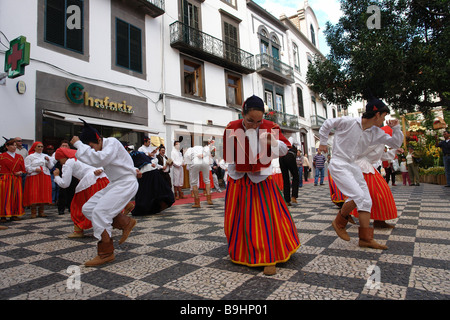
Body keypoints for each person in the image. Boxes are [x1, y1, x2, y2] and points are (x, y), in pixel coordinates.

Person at [223, 95, 300, 276]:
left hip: (261, 180)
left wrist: (272, 142)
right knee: (239, 218)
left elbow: (285, 150)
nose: (254, 125)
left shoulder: (270, 127)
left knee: (265, 218)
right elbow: (229, 156)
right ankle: (242, 251)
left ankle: (268, 256)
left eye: (259, 121)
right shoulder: (232, 128)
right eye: (250, 121)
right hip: (239, 179)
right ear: (243, 114)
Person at [319, 98, 403, 250]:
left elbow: (395, 144)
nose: (384, 120)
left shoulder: (375, 132)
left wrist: (396, 129)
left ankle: (365, 239)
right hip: (339, 163)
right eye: (383, 116)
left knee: (366, 201)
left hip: (353, 165)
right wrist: (323, 142)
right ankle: (339, 222)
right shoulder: (348, 121)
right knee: (358, 196)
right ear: (377, 115)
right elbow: (327, 124)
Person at [71, 120, 138, 267]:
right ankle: (125, 222)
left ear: (99, 139)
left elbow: (99, 159)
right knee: (88, 208)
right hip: (115, 183)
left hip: (125, 183)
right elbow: (120, 163)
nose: (93, 150)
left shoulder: (112, 142)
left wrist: (78, 144)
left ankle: (106, 253)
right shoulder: (105, 148)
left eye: (92, 146)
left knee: (100, 212)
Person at [53, 147, 110, 238]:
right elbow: (99, 161)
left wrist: (56, 176)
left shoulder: (68, 163)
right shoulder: (81, 157)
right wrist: (101, 169)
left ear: (63, 157)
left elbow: (65, 184)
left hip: (90, 182)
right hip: (103, 179)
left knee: (77, 206)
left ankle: (78, 230)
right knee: (104, 204)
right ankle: (121, 217)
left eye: (59, 159)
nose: (60, 162)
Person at [130, 147, 175, 216]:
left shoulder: (133, 155)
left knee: (145, 193)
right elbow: (153, 160)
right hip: (153, 172)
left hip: (146, 174)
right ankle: (154, 207)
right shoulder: (140, 153)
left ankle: (147, 208)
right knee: (155, 191)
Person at [23, 141, 55, 218]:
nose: (40, 148)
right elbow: (26, 167)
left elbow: (50, 166)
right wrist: (34, 169)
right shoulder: (30, 157)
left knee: (43, 192)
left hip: (44, 175)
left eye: (41, 147)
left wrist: (48, 160)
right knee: (34, 192)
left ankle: (41, 211)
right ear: (34, 147)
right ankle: (33, 212)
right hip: (34, 176)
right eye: (38, 146)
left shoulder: (45, 156)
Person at [0, 138, 26, 225]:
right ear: (7, 146)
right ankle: (3, 215)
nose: (14, 147)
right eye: (12, 145)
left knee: (16, 196)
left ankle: (14, 213)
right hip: (6, 178)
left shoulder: (19, 157)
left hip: (16, 179)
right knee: (5, 196)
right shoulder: (2, 156)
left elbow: (23, 169)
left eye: (15, 145)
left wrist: (21, 172)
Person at [184, 143, 213, 207]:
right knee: (207, 180)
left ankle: (197, 202)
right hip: (205, 162)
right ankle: (209, 199)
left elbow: (187, 159)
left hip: (195, 162)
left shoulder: (190, 149)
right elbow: (209, 154)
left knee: (194, 182)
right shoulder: (203, 148)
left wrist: (190, 166)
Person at [56, 140, 78, 215]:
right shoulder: (58, 155)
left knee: (72, 192)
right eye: (63, 146)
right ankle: (61, 208)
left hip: (74, 176)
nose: (64, 147)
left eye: (66, 146)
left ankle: (71, 207)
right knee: (62, 192)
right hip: (63, 174)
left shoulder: (71, 160)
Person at [279, 140, 299, 205]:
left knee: (285, 179)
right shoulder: (293, 144)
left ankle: (287, 200)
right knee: (295, 176)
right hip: (290, 156)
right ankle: (294, 196)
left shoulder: (282, 140)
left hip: (281, 157)